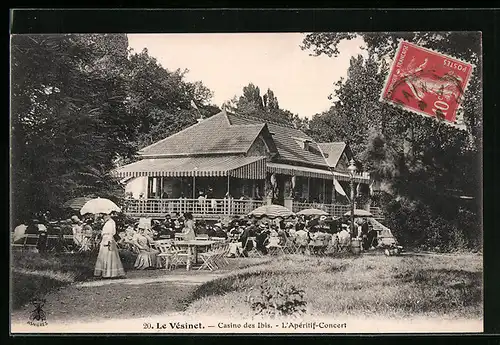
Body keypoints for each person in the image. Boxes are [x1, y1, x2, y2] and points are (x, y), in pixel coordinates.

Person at [94, 213, 125, 278]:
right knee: (103, 255)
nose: (104, 217)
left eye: (106, 215)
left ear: (109, 215)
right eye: (104, 215)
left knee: (110, 255)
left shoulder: (111, 222)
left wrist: (109, 240)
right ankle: (103, 272)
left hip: (109, 239)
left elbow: (112, 232)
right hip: (105, 239)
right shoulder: (107, 222)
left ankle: (110, 272)